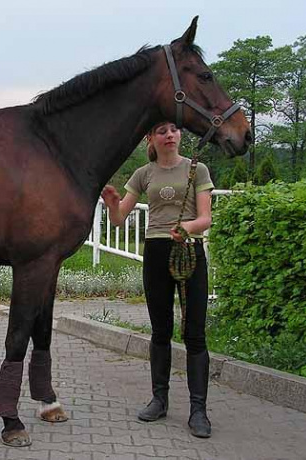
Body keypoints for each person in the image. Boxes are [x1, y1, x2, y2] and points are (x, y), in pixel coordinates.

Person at [101, 121, 213, 438]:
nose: (169, 135)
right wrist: (112, 205)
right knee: (160, 330)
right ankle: (159, 399)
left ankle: (198, 410)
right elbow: (120, 219)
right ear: (151, 138)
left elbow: (206, 218)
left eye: (174, 129)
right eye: (161, 130)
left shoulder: (197, 169)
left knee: (194, 333)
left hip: (188, 252)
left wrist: (188, 229)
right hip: (155, 251)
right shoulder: (143, 173)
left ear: (180, 136)